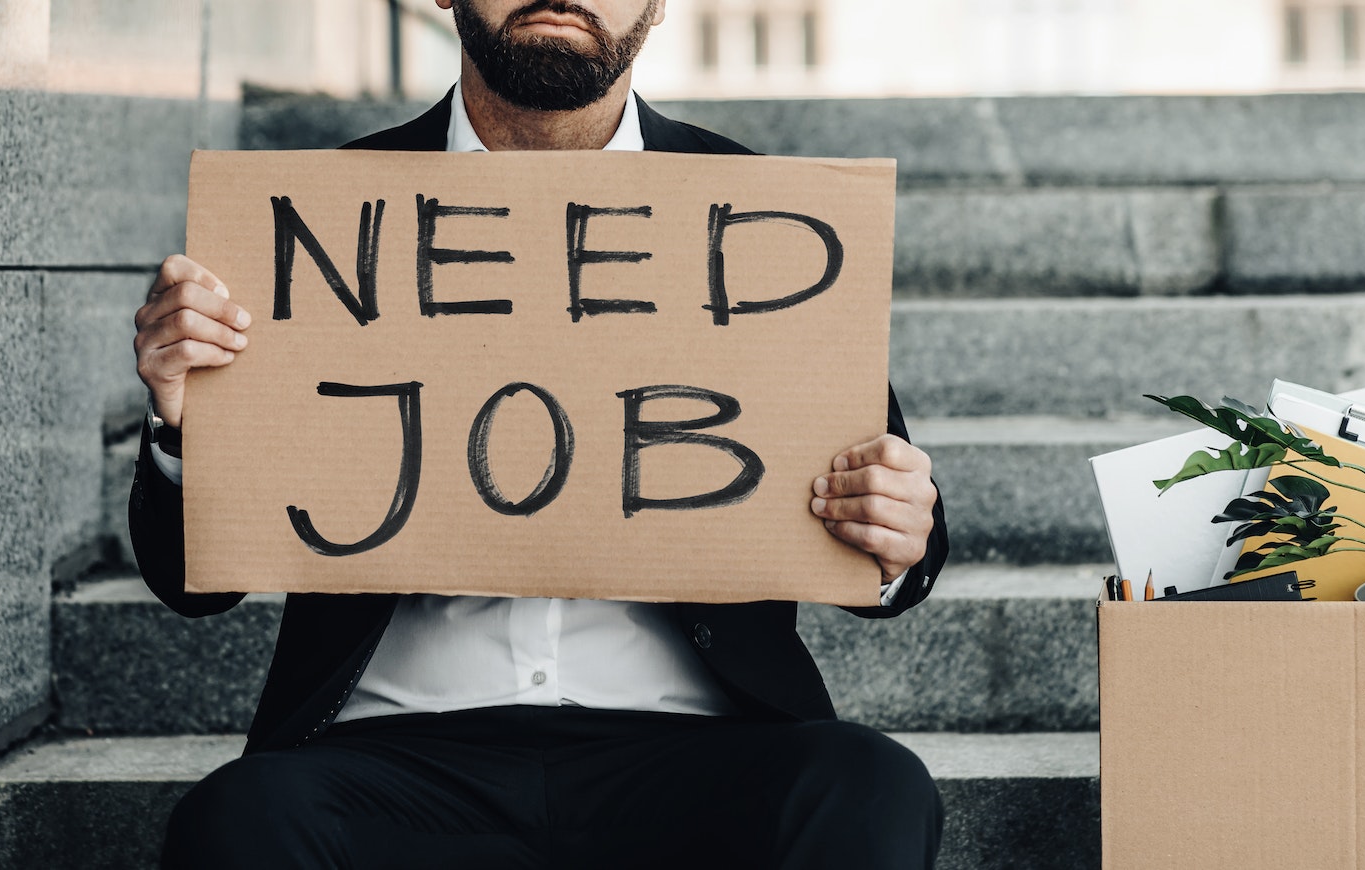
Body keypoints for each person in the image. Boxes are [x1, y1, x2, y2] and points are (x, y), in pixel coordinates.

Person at [128, 1, 950, 867]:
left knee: (872, 787)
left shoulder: (766, 212)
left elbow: (900, 533)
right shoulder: (314, 216)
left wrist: (895, 531)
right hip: (389, 759)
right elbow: (194, 586)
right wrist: (183, 421)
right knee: (239, 820)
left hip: (694, 753)